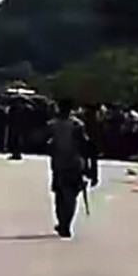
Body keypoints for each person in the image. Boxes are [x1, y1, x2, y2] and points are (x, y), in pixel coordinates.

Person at [45, 98, 99, 239]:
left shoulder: (54, 125)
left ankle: (64, 223)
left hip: (61, 165)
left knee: (61, 196)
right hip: (73, 165)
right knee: (69, 196)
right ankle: (65, 223)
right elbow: (87, 147)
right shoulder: (76, 125)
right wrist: (92, 169)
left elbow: (43, 142)